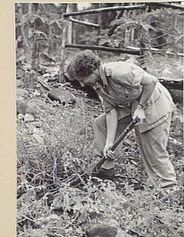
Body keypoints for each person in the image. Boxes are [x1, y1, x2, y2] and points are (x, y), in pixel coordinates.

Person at [66, 50, 177, 189]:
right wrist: (109, 143)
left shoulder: (119, 72)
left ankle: (168, 188)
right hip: (133, 105)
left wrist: (141, 108)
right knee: (101, 123)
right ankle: (106, 170)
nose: (82, 85)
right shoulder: (98, 84)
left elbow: (151, 81)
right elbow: (111, 112)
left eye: (82, 80)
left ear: (92, 71)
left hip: (155, 104)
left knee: (152, 149)